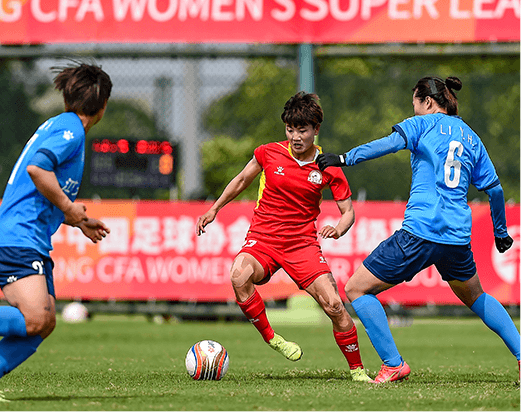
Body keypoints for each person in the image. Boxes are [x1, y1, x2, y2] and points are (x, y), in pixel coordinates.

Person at [317, 76, 521, 384]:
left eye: (414, 100)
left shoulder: (421, 124)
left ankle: (393, 364)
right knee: (477, 296)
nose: (412, 107)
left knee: (356, 289)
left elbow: (386, 145)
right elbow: (494, 189)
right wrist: (501, 231)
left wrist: (344, 158)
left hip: (421, 232)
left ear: (427, 101)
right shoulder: (470, 136)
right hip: (456, 238)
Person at [196, 91, 372, 382]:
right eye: (290, 130)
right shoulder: (269, 152)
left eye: (302, 130)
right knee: (238, 276)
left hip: (302, 245)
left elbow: (348, 212)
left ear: (316, 129)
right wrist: (214, 209)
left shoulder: (328, 166)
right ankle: (272, 338)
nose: (295, 137)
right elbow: (242, 179)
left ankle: (357, 371)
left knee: (334, 305)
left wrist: (339, 229)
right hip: (263, 238)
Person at [0, 61, 113, 400]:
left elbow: (37, 193)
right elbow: (38, 169)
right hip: (19, 236)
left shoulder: (60, 125)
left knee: (44, 323)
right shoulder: (71, 129)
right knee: (35, 318)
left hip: (27, 235)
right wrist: (69, 206)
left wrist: (77, 220)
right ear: (103, 105)